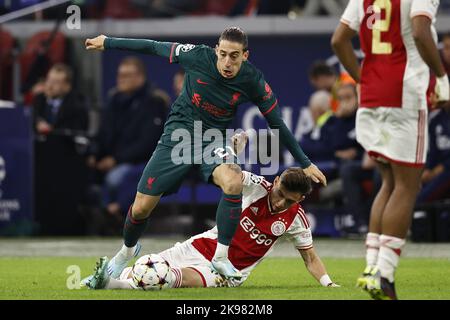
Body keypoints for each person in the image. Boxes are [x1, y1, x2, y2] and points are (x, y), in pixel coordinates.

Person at [85, 27, 327, 280]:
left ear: (245, 55)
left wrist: (305, 163)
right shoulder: (197, 56)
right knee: (141, 208)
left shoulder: (254, 81)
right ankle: (127, 250)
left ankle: (221, 257)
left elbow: (276, 123)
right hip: (178, 137)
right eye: (222, 54)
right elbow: (154, 46)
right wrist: (109, 41)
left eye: (234, 56)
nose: (227, 62)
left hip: (214, 140)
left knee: (233, 180)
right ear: (215, 51)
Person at [331, 0, 450, 300]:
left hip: (372, 97)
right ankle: (384, 273)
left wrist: (364, 79)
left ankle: (373, 268)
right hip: (404, 95)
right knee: (407, 187)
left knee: (390, 183)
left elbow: (338, 39)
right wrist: (442, 77)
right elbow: (422, 32)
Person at [85, 165, 339, 290]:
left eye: (289, 200)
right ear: (276, 181)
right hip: (202, 245)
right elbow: (231, 174)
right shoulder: (256, 185)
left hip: (230, 270)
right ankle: (107, 280)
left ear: (300, 200)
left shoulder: (297, 220)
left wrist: (328, 285)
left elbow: (310, 258)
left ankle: (111, 285)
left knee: (171, 278)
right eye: (280, 193)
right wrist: (234, 155)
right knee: (149, 268)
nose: (281, 201)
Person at [87, 57, 168, 223]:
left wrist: (115, 160)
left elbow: (148, 142)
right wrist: (94, 154)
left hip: (140, 161)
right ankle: (100, 217)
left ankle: (115, 214)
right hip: (111, 160)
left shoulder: (154, 102)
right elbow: (103, 133)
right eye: (120, 75)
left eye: (128, 75)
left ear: (140, 77)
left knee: (115, 178)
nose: (122, 80)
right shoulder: (113, 101)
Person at [33, 63, 89, 136]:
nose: (50, 86)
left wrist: (52, 131)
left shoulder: (77, 105)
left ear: (67, 86)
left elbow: (77, 132)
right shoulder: (39, 99)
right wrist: (37, 124)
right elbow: (31, 121)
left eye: (56, 82)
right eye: (48, 80)